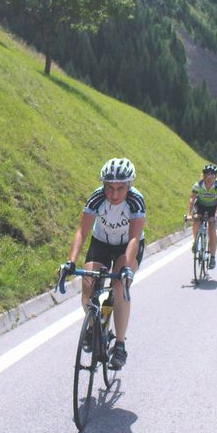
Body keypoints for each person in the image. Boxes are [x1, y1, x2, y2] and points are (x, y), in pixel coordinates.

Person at [60, 157, 145, 370]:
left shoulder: (135, 200)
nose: (114, 195)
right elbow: (82, 231)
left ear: (129, 186)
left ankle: (120, 345)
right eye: (109, 188)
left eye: (120, 188)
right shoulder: (97, 198)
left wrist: (126, 269)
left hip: (127, 245)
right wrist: (71, 262)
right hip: (101, 242)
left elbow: (134, 238)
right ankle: (93, 326)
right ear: (103, 185)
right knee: (87, 287)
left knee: (119, 287)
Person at [187, 162, 217, 269]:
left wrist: (215, 216)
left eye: (211, 177)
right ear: (203, 176)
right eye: (207, 176)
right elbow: (192, 199)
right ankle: (196, 241)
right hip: (200, 206)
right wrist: (189, 213)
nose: (209, 180)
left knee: (212, 230)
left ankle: (212, 257)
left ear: (215, 177)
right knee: (196, 221)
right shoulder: (198, 185)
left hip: (213, 208)